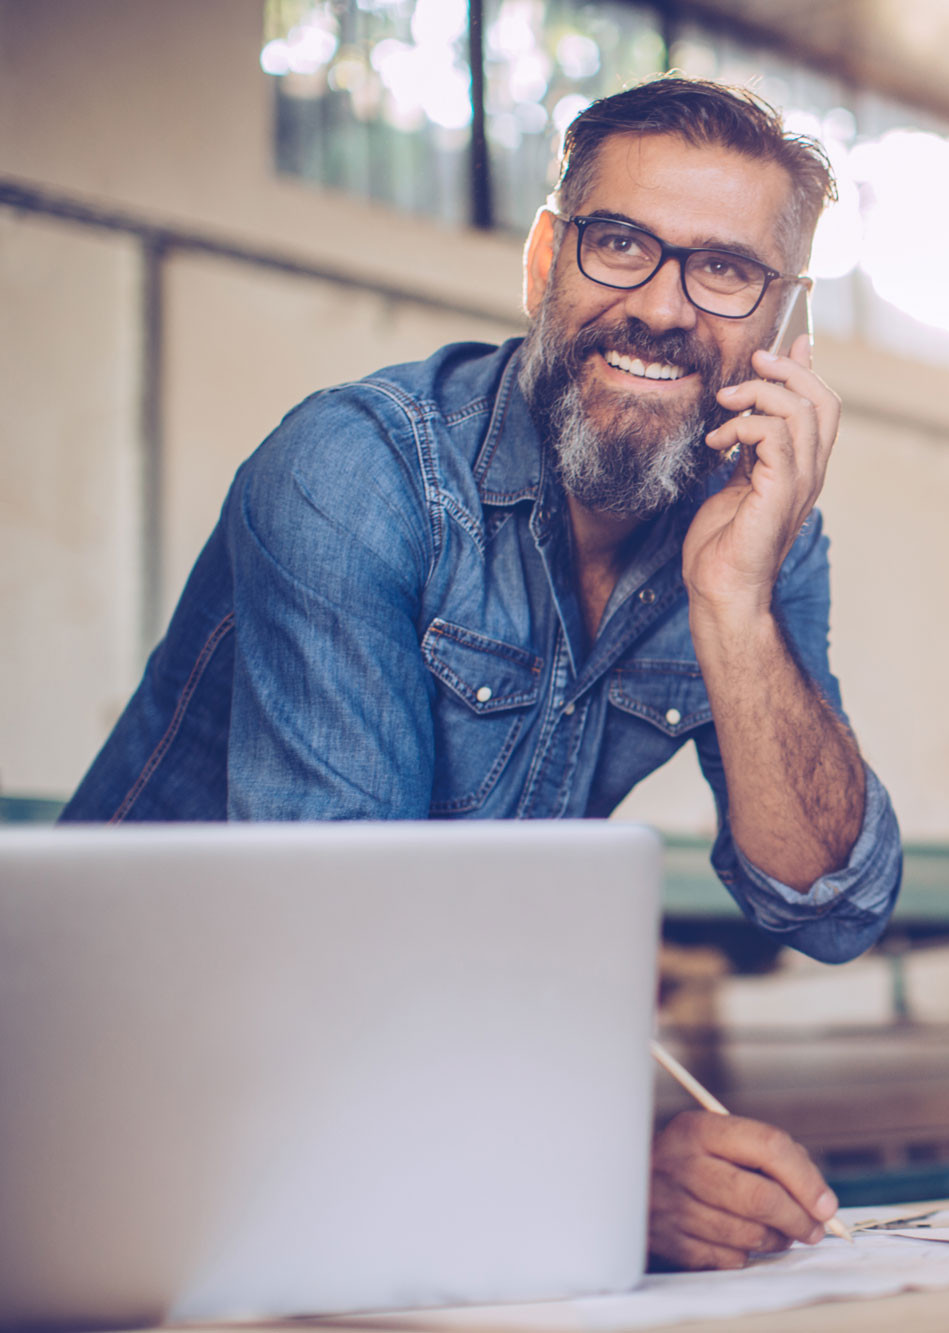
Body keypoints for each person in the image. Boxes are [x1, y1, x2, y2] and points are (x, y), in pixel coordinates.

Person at [62, 77, 901, 1270]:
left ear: (782, 324)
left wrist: (732, 601)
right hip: (123, 1107)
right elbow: (330, 950)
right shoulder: (355, 475)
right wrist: (609, 1155)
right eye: (620, 246)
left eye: (724, 272)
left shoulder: (754, 533)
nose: (663, 308)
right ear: (544, 261)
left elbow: (829, 909)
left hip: (376, 1127)